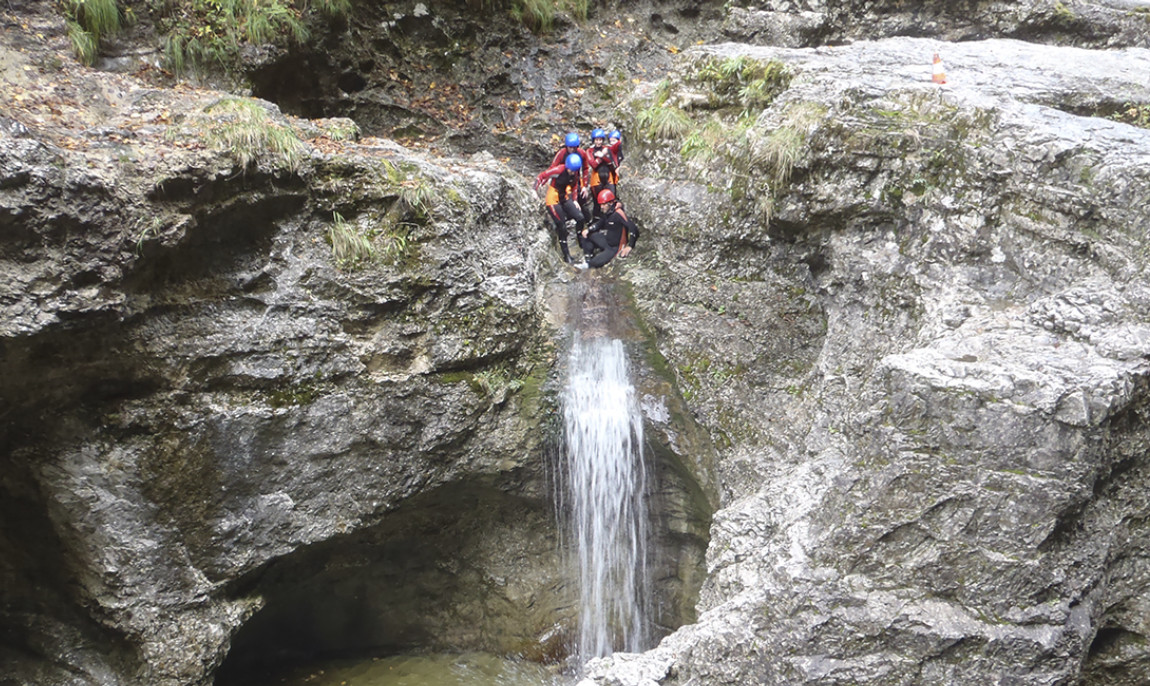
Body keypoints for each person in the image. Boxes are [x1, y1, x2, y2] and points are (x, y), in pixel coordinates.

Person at [537, 153, 587, 264]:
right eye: (571, 170)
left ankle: (580, 239)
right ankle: (566, 255)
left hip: (564, 197)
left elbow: (574, 186)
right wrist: (534, 190)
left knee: (580, 217)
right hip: (553, 199)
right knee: (562, 226)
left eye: (574, 171)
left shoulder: (575, 173)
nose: (572, 173)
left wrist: (574, 200)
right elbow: (542, 176)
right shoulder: (559, 170)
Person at [581, 189, 639, 269]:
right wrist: (589, 229)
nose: (602, 207)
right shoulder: (608, 212)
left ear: (610, 203)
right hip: (607, 241)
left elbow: (633, 228)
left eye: (604, 204)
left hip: (615, 248)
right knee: (587, 235)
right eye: (600, 205)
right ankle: (588, 257)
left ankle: (588, 265)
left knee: (594, 263)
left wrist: (629, 246)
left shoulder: (618, 213)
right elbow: (600, 223)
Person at [586, 128, 619, 218]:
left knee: (612, 200)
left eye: (600, 140)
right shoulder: (590, 151)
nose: (598, 142)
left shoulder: (607, 149)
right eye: (596, 140)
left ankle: (612, 221)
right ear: (593, 140)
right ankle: (597, 221)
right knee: (598, 203)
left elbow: (612, 162)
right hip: (597, 179)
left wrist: (602, 156)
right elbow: (593, 165)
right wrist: (601, 157)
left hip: (608, 177)